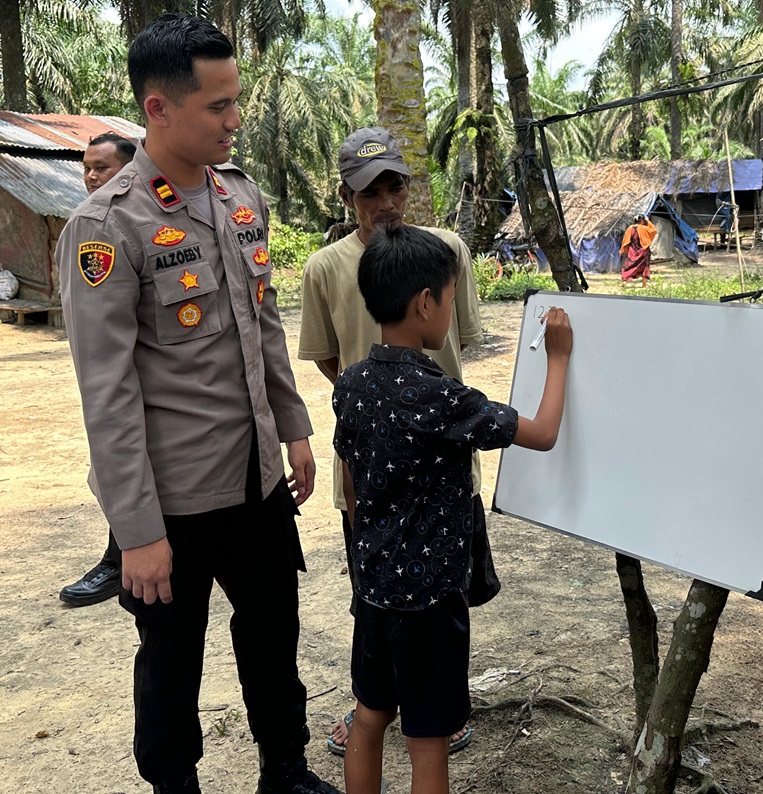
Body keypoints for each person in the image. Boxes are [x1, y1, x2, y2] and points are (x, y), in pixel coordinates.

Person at [56, 14, 339, 794]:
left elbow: (266, 326)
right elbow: (106, 396)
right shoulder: (108, 226)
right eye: (217, 106)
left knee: (273, 638)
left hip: (256, 480)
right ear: (158, 108)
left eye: (235, 100)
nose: (235, 119)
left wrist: (295, 428)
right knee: (172, 661)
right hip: (174, 504)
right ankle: (174, 785)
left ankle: (286, 769)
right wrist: (136, 533)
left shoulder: (238, 200)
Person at [332, 224, 573, 794]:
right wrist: (558, 358)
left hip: (373, 586)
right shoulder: (441, 397)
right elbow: (540, 434)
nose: (450, 310)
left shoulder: (353, 383)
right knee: (428, 740)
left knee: (369, 717)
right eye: (449, 297)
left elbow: (351, 478)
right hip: (431, 598)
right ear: (424, 303)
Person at [298, 126, 487, 757]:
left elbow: (458, 342)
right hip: (370, 471)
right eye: (369, 190)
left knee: (447, 588)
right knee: (372, 590)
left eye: (394, 185)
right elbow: (328, 359)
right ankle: (376, 707)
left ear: (408, 186)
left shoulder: (447, 251)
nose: (384, 201)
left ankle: (438, 708)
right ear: (348, 196)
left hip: (446, 460)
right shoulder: (326, 268)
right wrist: (384, 403)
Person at [58, 131, 138, 608]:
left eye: (101, 168)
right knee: (115, 468)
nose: (90, 176)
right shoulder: (86, 225)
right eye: (86, 167)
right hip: (111, 382)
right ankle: (118, 558)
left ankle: (118, 561)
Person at [620, 213, 656, 287]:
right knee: (645, 267)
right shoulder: (644, 228)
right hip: (643, 251)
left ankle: (624, 281)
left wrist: (625, 249)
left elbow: (626, 240)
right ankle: (644, 284)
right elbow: (653, 230)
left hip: (632, 252)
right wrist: (648, 221)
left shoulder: (630, 228)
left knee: (628, 266)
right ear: (642, 221)